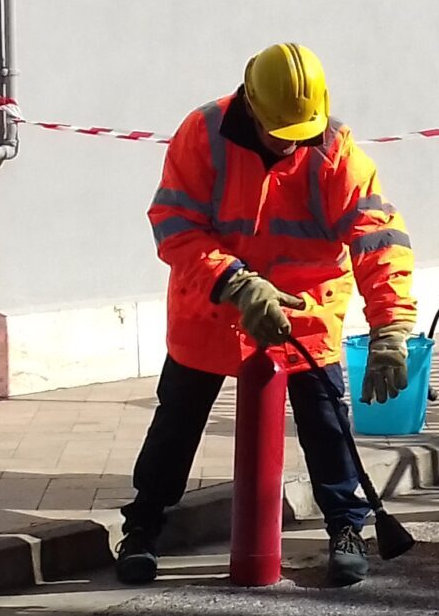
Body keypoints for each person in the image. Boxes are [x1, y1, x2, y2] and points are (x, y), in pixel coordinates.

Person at [117, 43, 417, 587]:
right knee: (177, 423)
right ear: (251, 107)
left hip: (305, 313)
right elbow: (174, 224)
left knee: (327, 425)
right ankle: (142, 529)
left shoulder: (335, 153)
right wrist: (234, 281)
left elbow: (378, 239)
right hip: (213, 308)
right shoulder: (202, 135)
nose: (291, 142)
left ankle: (345, 527)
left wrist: (391, 327)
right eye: (281, 131)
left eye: (301, 130)